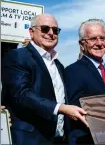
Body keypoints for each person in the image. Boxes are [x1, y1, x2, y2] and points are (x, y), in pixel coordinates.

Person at [1, 13, 88, 145]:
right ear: (31, 32)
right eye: (45, 28)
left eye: (55, 30)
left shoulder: (58, 65)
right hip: (30, 139)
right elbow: (21, 94)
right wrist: (61, 108)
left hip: (59, 139)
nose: (51, 33)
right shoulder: (17, 56)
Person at [64, 19, 105, 144]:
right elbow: (74, 108)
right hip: (86, 139)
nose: (99, 43)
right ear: (82, 44)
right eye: (93, 39)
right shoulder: (72, 71)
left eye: (102, 38)